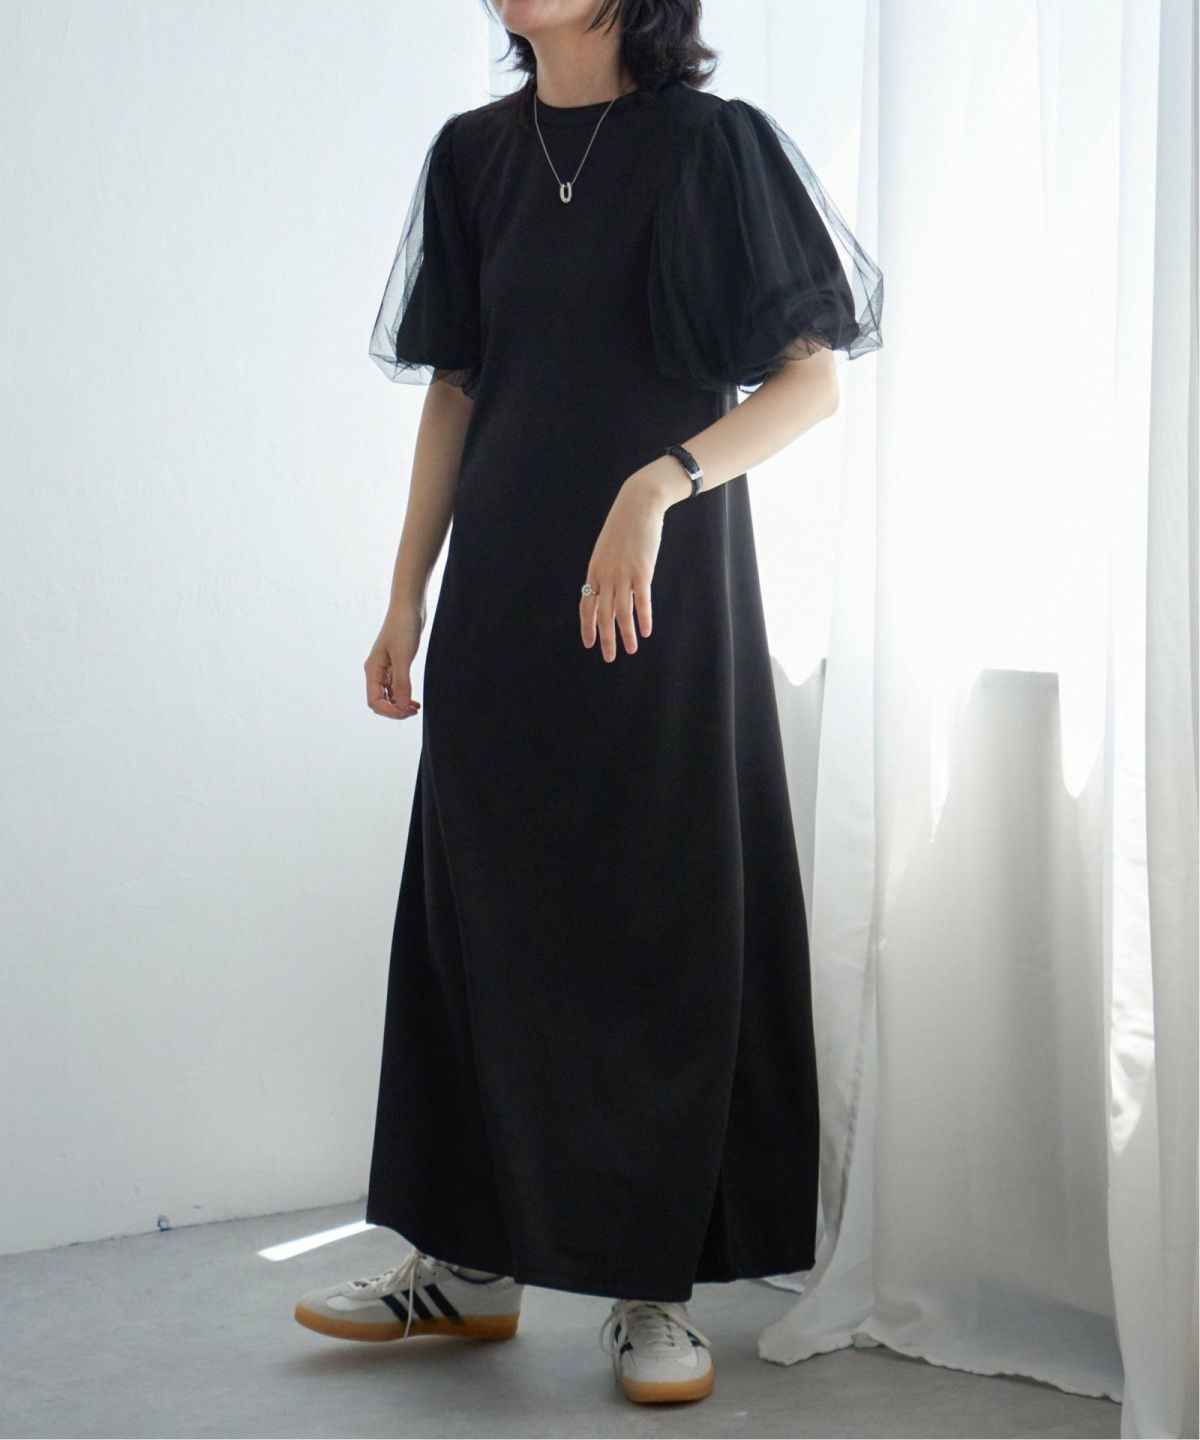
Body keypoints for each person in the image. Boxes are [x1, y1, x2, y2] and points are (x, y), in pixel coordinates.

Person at [294, 0, 882, 1407]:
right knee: (481, 911)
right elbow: (457, 389)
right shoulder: (472, 155)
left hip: (657, 598)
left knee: (655, 915)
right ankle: (468, 1266)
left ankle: (651, 1286)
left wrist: (658, 484)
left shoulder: (714, 147)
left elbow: (810, 384)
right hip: (502, 590)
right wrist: (405, 594)